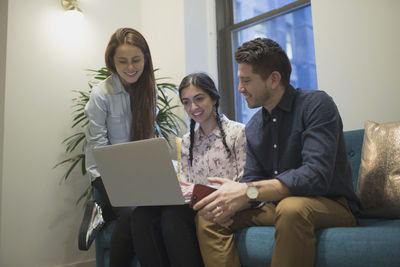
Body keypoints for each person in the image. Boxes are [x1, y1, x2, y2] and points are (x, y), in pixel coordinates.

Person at [192, 38, 363, 267]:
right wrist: (230, 199)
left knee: (291, 208)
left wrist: (248, 191)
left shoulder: (316, 105)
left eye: (246, 81)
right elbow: (252, 184)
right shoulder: (254, 127)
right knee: (208, 218)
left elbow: (316, 175)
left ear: (273, 79)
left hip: (331, 204)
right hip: (278, 205)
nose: (240, 88)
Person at [130, 72, 247, 267]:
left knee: (172, 218)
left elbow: (243, 183)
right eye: (186, 102)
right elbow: (185, 186)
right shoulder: (186, 142)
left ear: (214, 98)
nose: (192, 107)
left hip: (223, 204)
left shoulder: (238, 133)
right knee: (141, 217)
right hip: (193, 205)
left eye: (199, 98)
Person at [78, 27, 157, 267]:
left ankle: (102, 210)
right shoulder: (101, 95)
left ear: (145, 58)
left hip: (137, 171)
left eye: (136, 60)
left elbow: (147, 139)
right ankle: (102, 206)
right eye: (122, 61)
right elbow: (99, 148)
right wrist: (125, 179)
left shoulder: (149, 91)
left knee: (161, 214)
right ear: (112, 62)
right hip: (107, 172)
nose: (130, 67)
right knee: (135, 214)